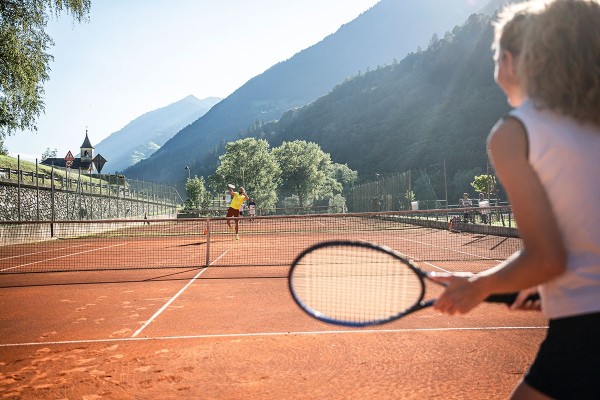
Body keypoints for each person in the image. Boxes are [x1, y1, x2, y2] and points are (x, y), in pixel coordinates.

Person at [432, 1, 600, 399]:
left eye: (494, 57)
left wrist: (479, 286)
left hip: (586, 333)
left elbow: (547, 259)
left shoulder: (514, 133)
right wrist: (545, 292)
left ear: (509, 61)